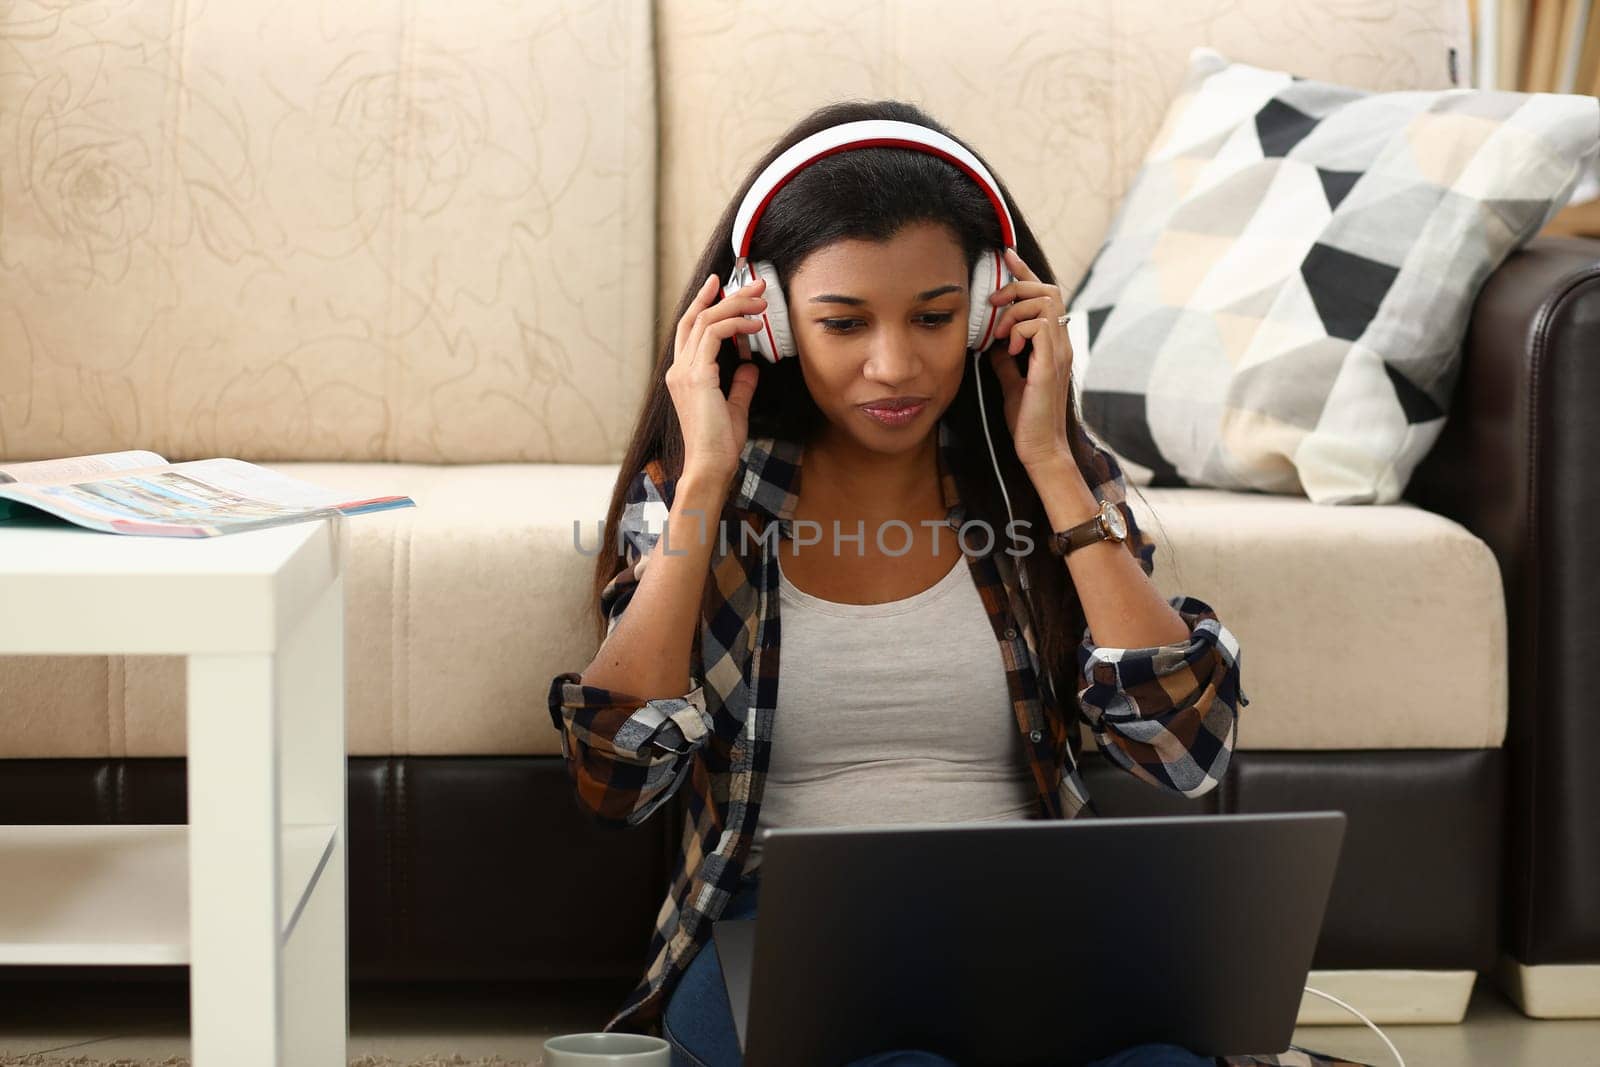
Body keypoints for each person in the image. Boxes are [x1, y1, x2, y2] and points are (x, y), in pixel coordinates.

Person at [548, 99, 1341, 1067]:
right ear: (769, 322)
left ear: (983, 307)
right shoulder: (703, 491)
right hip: (785, 937)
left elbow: (1183, 749)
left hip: (1026, 928)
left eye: (932, 317)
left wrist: (1050, 460)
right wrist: (704, 485)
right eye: (843, 323)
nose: (895, 365)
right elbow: (617, 784)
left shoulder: (1031, 473)